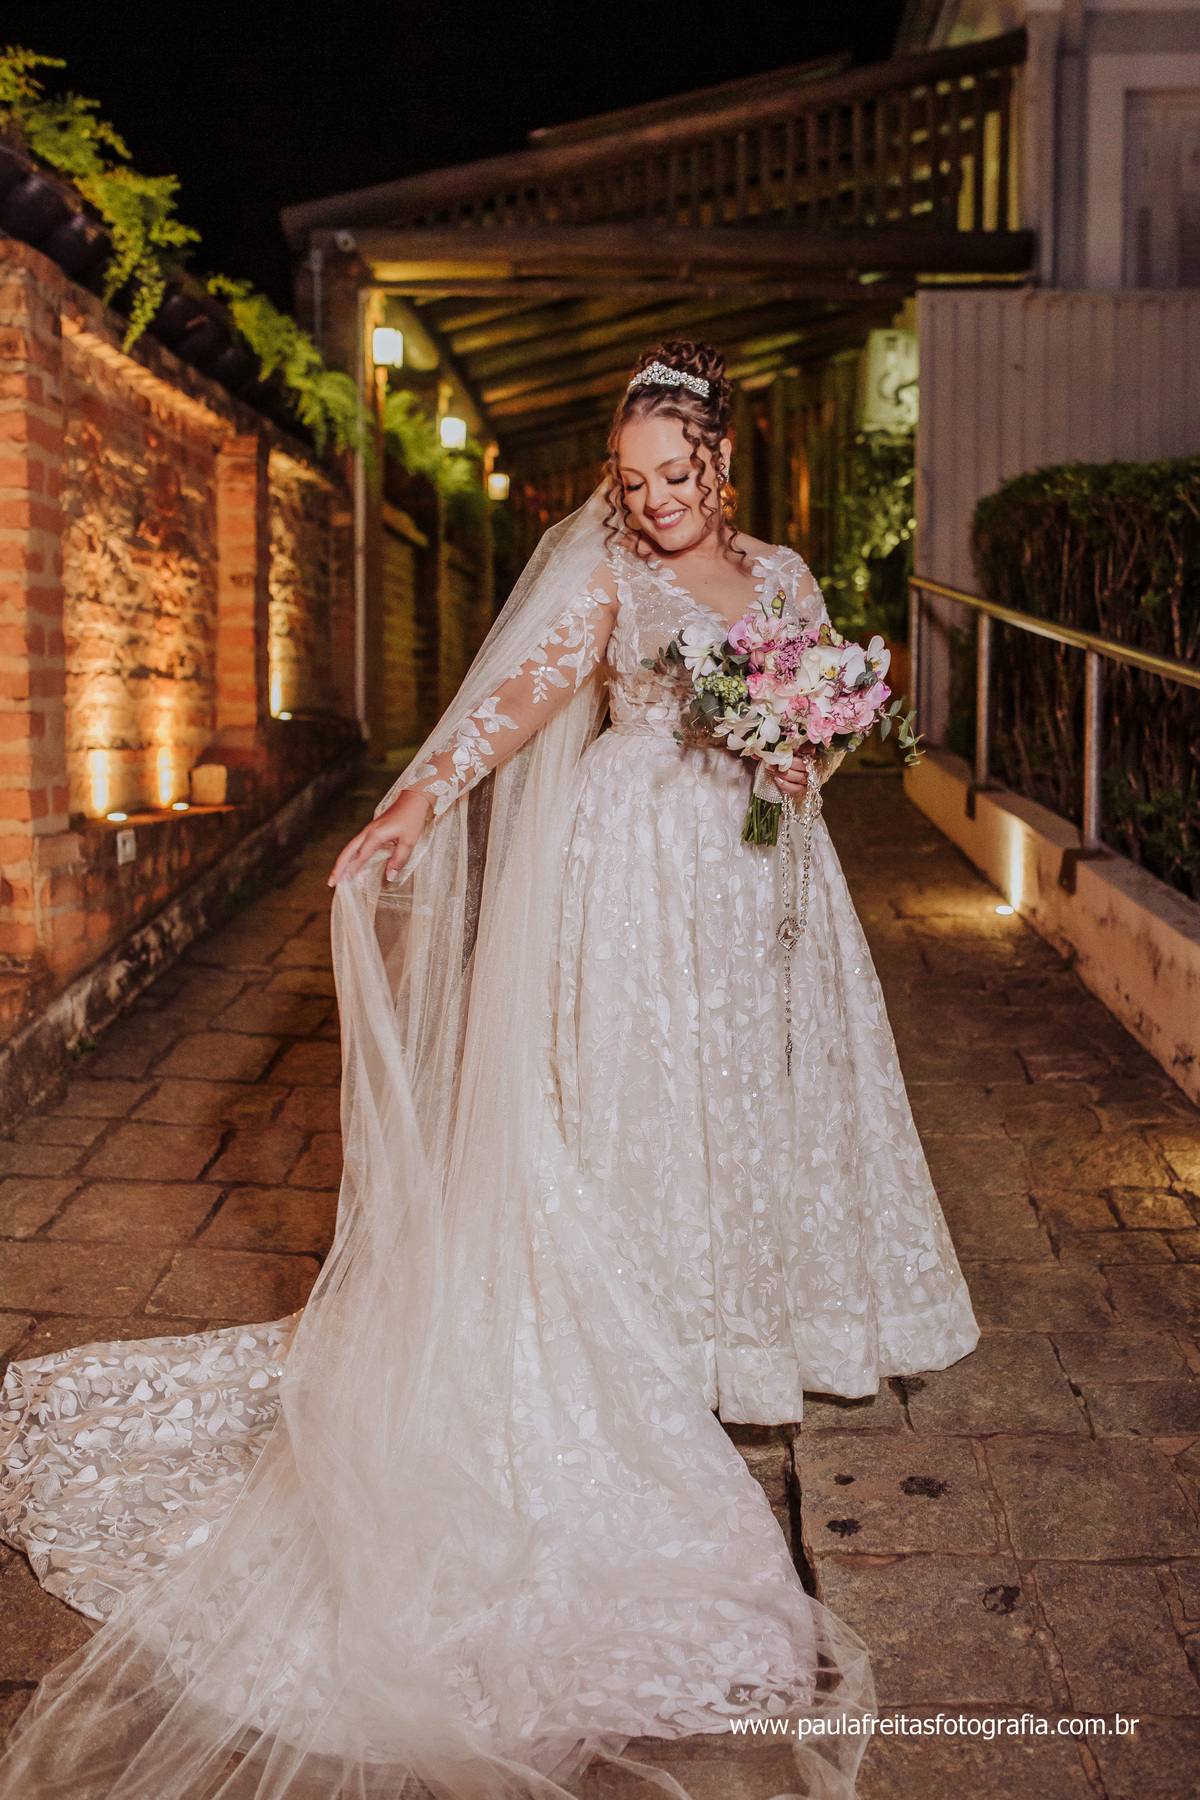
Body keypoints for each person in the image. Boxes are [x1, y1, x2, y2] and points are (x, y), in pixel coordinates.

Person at [0, 341, 977, 1800]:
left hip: (757, 877)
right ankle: (648, 1337)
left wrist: (801, 759)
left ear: (719, 463)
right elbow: (513, 701)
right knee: (635, 1095)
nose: (654, 500)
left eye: (675, 474)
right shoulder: (609, 576)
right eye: (633, 480)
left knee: (752, 1090)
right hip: (632, 875)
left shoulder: (782, 577)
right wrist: (415, 804)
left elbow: (821, 722)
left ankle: (755, 1320)